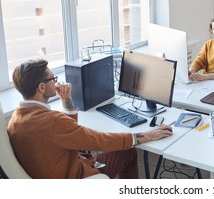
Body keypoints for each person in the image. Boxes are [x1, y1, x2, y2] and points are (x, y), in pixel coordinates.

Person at [7, 59, 173, 179]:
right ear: (42, 87)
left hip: (54, 174)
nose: (56, 82)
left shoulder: (17, 118)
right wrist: (146, 136)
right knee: (128, 153)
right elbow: (98, 140)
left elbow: (69, 133)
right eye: (53, 79)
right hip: (74, 178)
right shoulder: (51, 121)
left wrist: (66, 99)